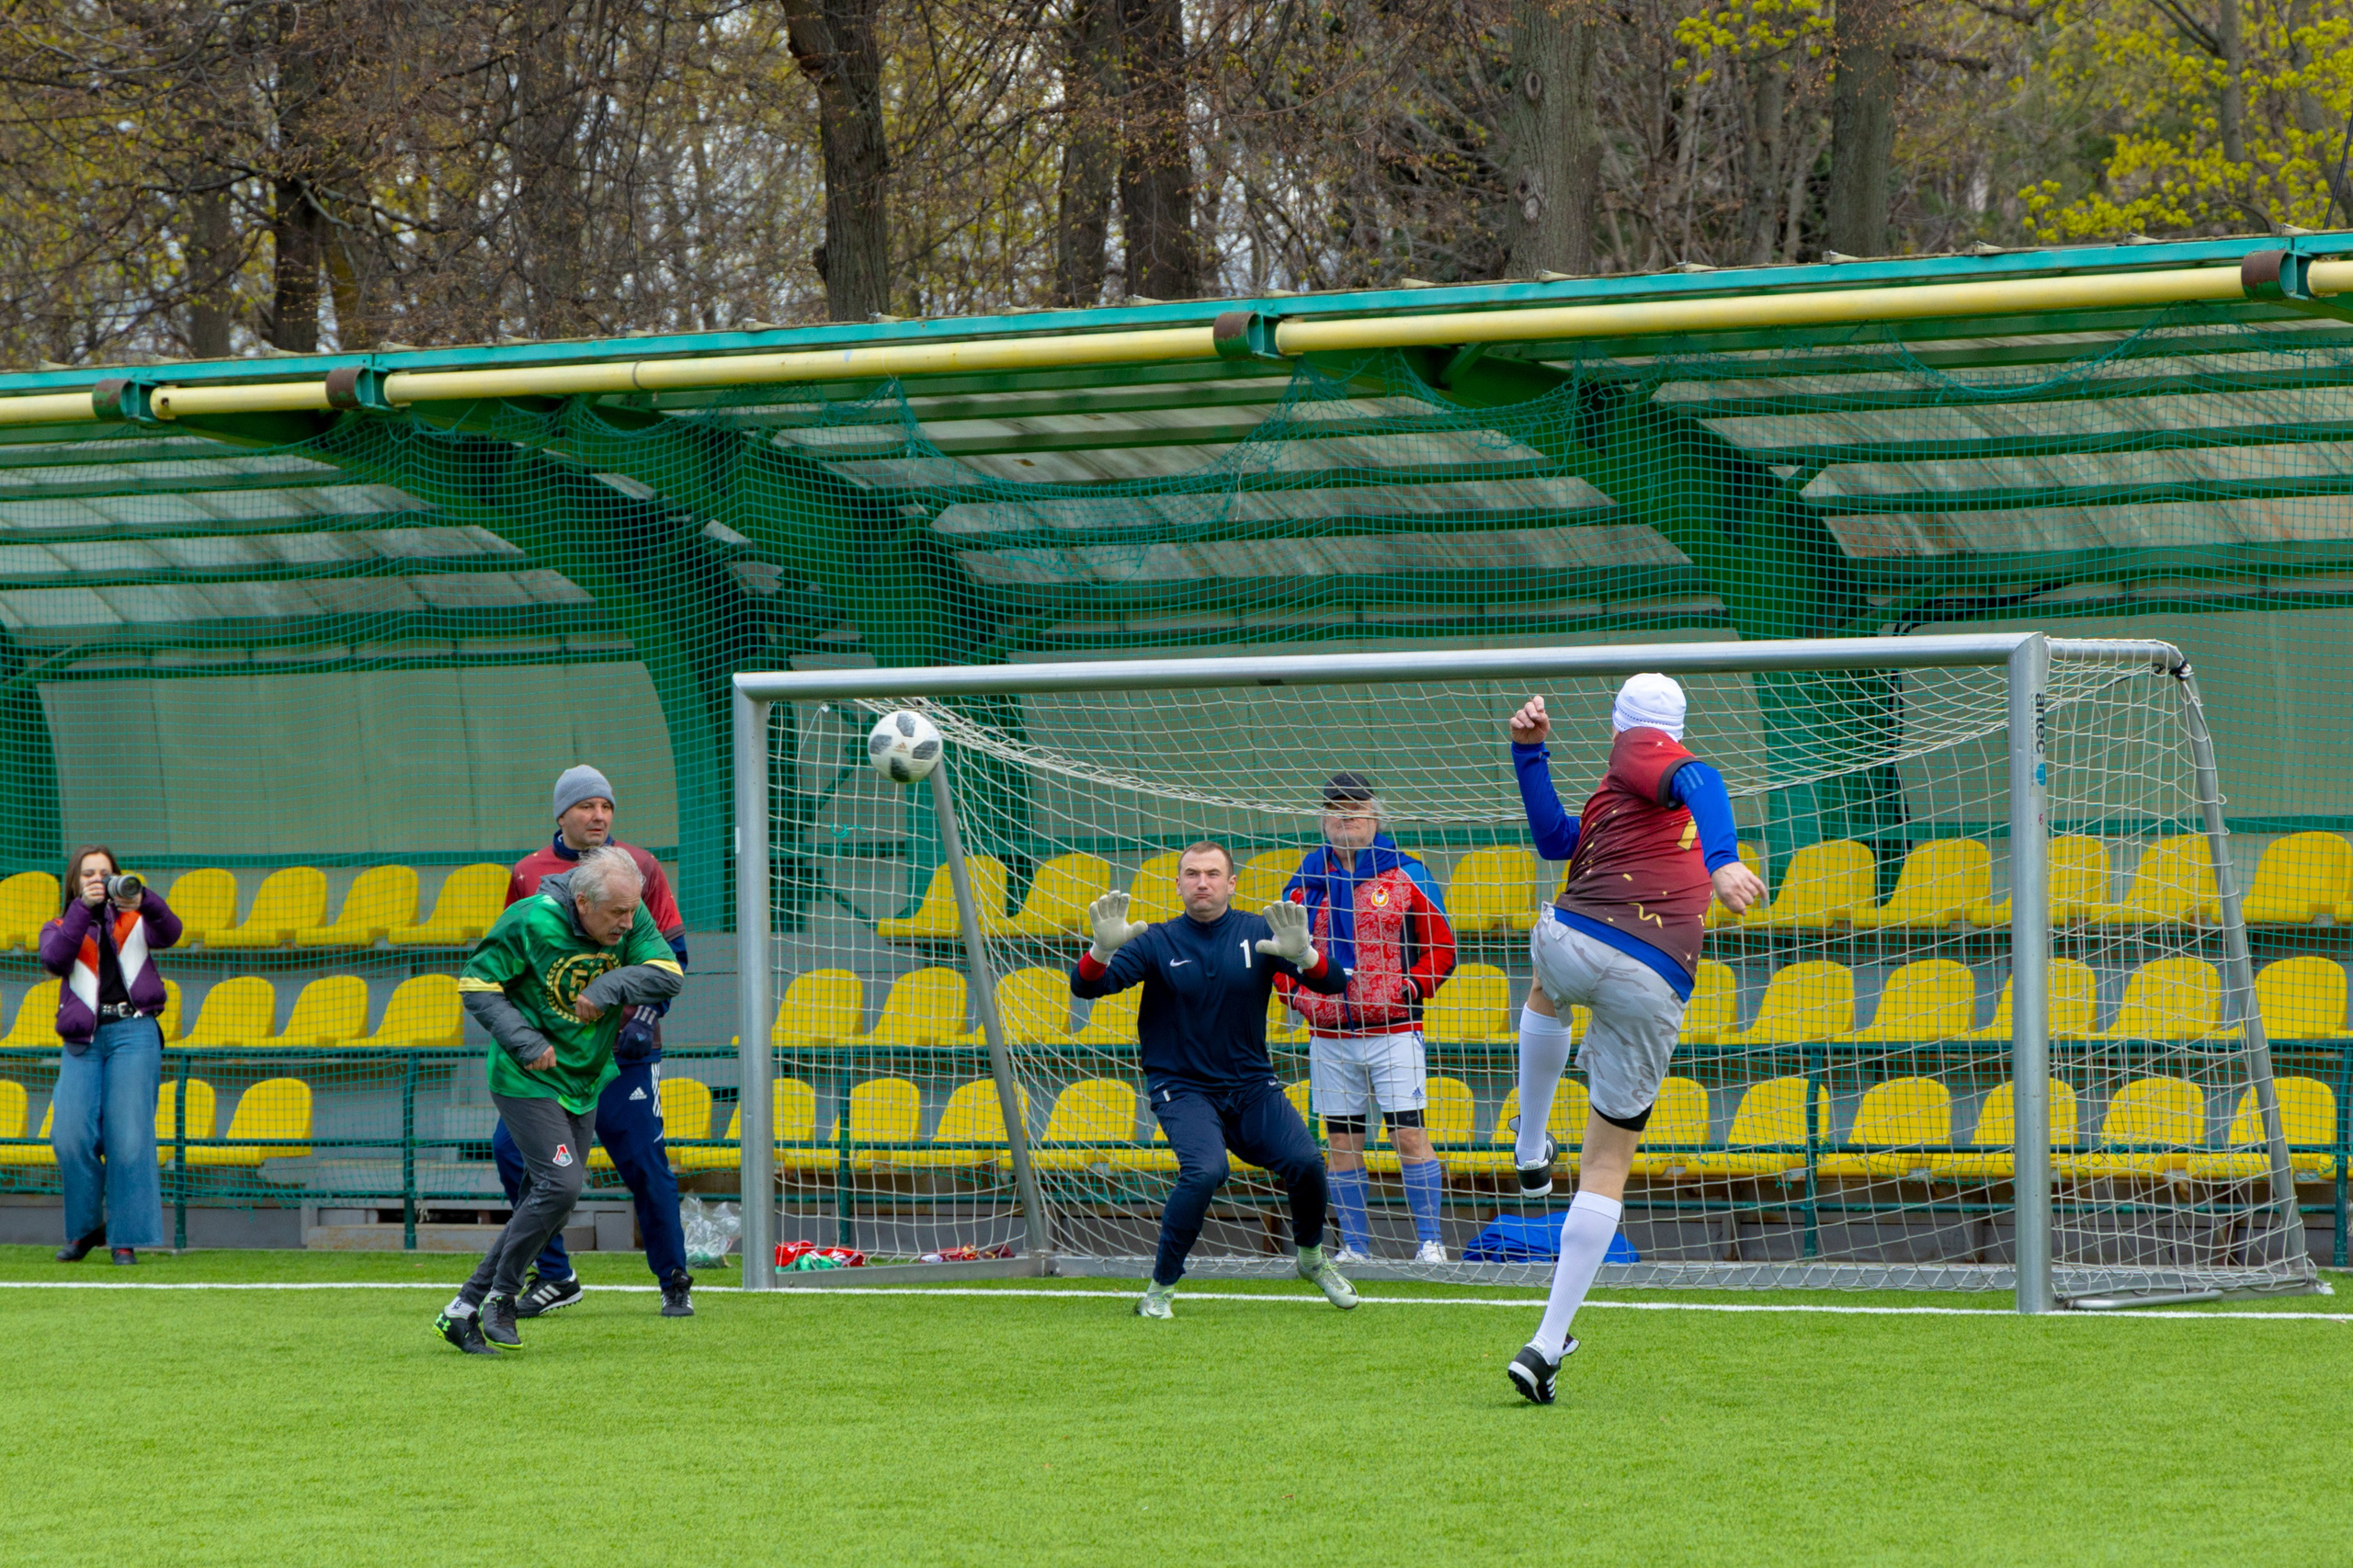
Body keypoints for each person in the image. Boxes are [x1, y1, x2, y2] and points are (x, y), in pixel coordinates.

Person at [1501, 676, 1767, 1403]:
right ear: (1680, 721)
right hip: (1655, 977)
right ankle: (1547, 1342)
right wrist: (1534, 756)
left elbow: (1700, 774)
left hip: (1578, 943)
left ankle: (1528, 1144)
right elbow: (1561, 839)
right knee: (1607, 1166)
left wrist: (1724, 861)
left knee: (1545, 986)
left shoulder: (1636, 757)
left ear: (1623, 722)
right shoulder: (1626, 791)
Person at [1072, 842, 1359, 1319]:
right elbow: (1088, 987)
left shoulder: (1260, 933)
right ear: (1179, 884)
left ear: (1231, 883)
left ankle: (1310, 1258)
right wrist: (1101, 948)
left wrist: (1306, 954)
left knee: (1307, 1161)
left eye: (1211, 873)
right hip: (1182, 1088)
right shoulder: (1154, 940)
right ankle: (1160, 1289)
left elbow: (1334, 985)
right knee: (1205, 1171)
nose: (1201, 882)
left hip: (1250, 1085)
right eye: (1191, 874)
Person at [437, 846, 685, 1355]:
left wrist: (612, 984)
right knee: (563, 1184)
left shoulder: (629, 914)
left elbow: (668, 972)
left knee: (544, 1196)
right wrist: (528, 1043)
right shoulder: (530, 919)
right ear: (582, 901)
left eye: (631, 910)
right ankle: (502, 1299)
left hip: (586, 1077)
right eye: (616, 913)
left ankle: (462, 1310)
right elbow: (477, 984)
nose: (627, 921)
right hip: (526, 1077)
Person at [494, 764, 696, 1320]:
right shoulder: (527, 874)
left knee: (643, 1164)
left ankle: (674, 1278)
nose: (599, 816)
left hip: (624, 1053)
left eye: (606, 806)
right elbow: (515, 964)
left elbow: (671, 959)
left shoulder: (641, 868)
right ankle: (556, 1276)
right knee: (511, 1155)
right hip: (552, 1058)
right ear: (561, 814)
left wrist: (641, 1019)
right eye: (586, 806)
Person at [1277, 773, 1457, 1264]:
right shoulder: (1305, 879)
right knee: (1341, 1141)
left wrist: (1408, 989)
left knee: (1408, 1134)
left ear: (1376, 816)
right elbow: (1279, 952)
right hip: (1328, 1035)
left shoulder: (1407, 873)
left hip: (1395, 1032)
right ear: (1322, 820)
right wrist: (1297, 997)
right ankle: (1355, 1248)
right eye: (1335, 809)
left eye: (1356, 808)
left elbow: (1441, 948)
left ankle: (1430, 1243)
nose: (1345, 817)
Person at [38, 846, 183, 1266]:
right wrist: (84, 909)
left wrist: (146, 898)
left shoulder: (136, 920)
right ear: (74, 882)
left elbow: (171, 932)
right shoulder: (61, 925)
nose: (97, 880)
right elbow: (54, 958)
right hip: (83, 1041)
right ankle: (87, 1230)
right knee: (69, 1137)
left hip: (133, 1033)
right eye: (88, 875)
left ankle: (125, 1239)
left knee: (130, 1138)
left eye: (105, 873)